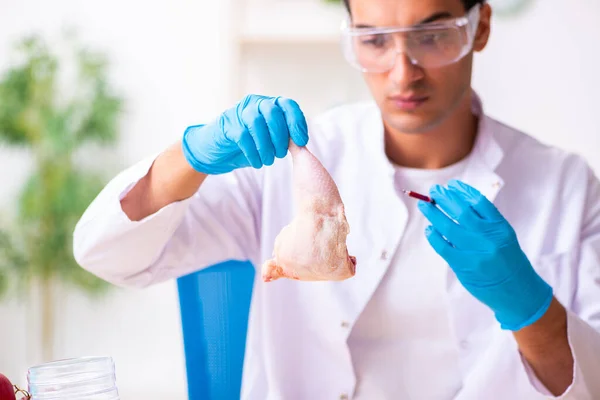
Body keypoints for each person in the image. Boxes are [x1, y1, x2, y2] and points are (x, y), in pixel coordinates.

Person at [73, 0, 600, 398]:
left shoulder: (565, 185)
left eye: (433, 35)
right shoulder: (292, 162)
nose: (403, 71)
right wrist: (188, 157)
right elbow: (107, 254)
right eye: (373, 41)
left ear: (479, 26)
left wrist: (530, 308)